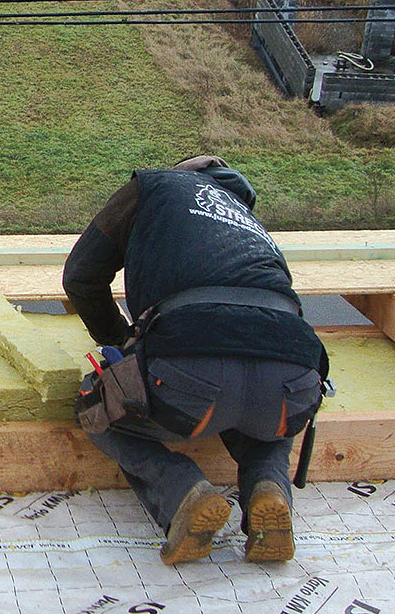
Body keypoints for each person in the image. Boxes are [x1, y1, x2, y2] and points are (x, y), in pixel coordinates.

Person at [63, 155, 328, 565]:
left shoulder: (152, 188)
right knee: (270, 420)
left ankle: (183, 491)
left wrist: (122, 344)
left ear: (181, 173)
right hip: (291, 374)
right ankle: (268, 487)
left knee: (95, 403)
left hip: (189, 367)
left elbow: (80, 275)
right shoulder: (248, 220)